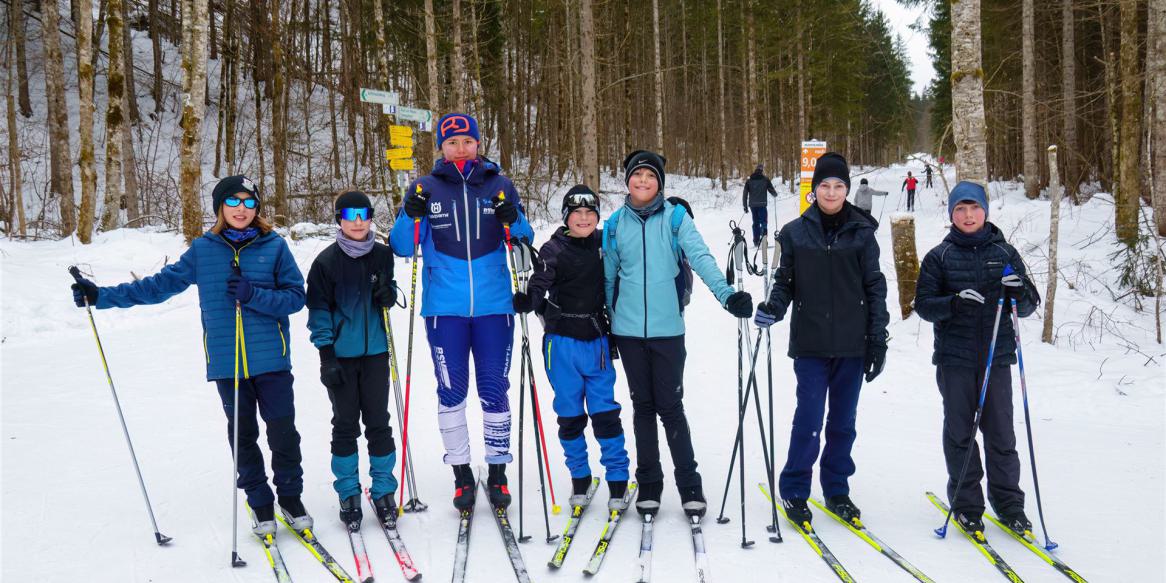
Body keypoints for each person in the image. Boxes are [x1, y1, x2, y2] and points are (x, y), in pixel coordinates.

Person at [69, 175, 310, 536]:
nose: (241, 210)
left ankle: (290, 498)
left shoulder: (274, 246)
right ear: (220, 208)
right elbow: (158, 286)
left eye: (248, 202)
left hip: (272, 361)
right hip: (228, 365)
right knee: (242, 437)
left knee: (283, 434)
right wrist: (101, 296)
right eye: (233, 202)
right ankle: (260, 503)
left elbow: (295, 296)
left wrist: (254, 295)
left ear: (256, 207)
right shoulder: (203, 250)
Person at [390, 112, 534, 511]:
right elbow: (403, 245)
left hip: (494, 308)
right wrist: (410, 210)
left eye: (466, 141)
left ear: (477, 144)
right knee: (451, 391)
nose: (460, 148)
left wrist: (514, 218)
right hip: (445, 311)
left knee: (493, 390)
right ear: (441, 147)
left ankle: (499, 472)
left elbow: (524, 240)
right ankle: (461, 475)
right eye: (451, 143)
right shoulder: (425, 186)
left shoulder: (500, 184)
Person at [603, 149, 754, 519]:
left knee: (670, 407)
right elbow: (608, 278)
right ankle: (650, 484)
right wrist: (608, 326)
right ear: (627, 182)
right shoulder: (614, 224)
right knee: (642, 408)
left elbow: (700, 257)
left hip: (668, 330)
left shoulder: (675, 218)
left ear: (659, 183)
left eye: (650, 177)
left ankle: (689, 484)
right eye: (637, 176)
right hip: (627, 331)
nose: (643, 182)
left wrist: (727, 295)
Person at [753, 152, 889, 528]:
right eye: (825, 186)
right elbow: (786, 283)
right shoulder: (795, 232)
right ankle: (795, 489)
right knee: (809, 419)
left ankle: (836, 488)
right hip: (811, 344)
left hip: (852, 344)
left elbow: (875, 287)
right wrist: (773, 308)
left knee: (843, 422)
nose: (832, 192)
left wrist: (877, 338)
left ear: (847, 189)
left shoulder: (863, 232)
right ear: (814, 191)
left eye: (839, 186)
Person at [914, 181, 1041, 537]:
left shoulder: (1004, 253)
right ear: (951, 215)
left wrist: (1020, 292)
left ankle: (1009, 504)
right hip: (955, 360)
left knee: (1001, 434)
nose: (968, 216)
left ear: (985, 211)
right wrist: (953, 303)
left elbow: (1030, 304)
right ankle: (967, 504)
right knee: (961, 434)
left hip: (996, 359)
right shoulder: (939, 257)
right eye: (960, 210)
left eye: (974, 209)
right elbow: (923, 306)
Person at [514, 184, 631, 511]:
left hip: (596, 341)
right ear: (566, 217)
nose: (583, 218)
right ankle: (579, 475)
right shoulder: (554, 249)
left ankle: (618, 478)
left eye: (590, 213)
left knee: (605, 412)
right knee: (569, 413)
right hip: (561, 343)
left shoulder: (605, 244)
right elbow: (540, 281)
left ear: (597, 216)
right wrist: (529, 299)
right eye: (577, 213)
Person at [306, 191, 399, 527]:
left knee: (378, 421)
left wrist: (390, 294)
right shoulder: (326, 263)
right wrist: (326, 356)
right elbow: (317, 312)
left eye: (364, 213)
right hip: (341, 358)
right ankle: (348, 490)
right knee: (345, 424)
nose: (358, 221)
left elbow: (389, 292)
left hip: (375, 353)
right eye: (350, 214)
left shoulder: (382, 255)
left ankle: (384, 488)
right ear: (339, 219)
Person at [742, 164, 779, 246]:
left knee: (755, 223)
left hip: (753, 206)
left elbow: (745, 194)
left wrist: (745, 206)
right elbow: (771, 189)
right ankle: (764, 240)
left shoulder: (749, 181)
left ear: (755, 170)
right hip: (762, 205)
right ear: (762, 170)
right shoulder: (765, 180)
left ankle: (756, 241)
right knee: (763, 222)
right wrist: (775, 194)